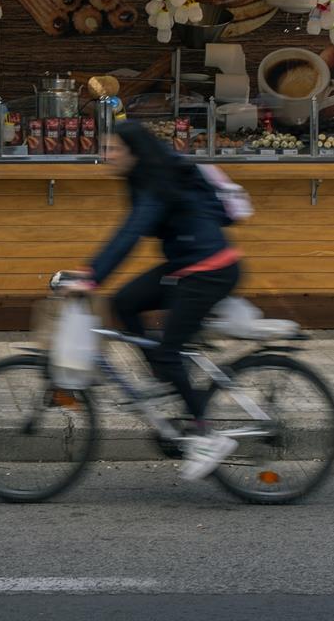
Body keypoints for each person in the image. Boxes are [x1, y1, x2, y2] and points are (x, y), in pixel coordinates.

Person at [63, 121, 243, 481]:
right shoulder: (145, 177)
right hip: (186, 266)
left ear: (134, 152)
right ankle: (164, 378)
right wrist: (90, 273)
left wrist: (92, 276)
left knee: (168, 351)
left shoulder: (156, 182)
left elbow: (130, 233)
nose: (106, 155)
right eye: (104, 148)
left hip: (210, 271)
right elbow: (128, 229)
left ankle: (206, 435)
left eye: (113, 149)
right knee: (124, 302)